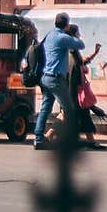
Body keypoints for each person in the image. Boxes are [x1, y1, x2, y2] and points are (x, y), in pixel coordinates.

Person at [33, 11, 84, 150]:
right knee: (69, 109)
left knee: (45, 109)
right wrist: (71, 34)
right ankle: (69, 139)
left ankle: (38, 139)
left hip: (46, 77)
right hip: (56, 79)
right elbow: (81, 44)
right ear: (66, 25)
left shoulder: (50, 35)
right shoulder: (62, 38)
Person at [66, 24, 106, 149]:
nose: (80, 35)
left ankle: (90, 141)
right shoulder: (72, 50)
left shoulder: (71, 50)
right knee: (78, 115)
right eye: (78, 33)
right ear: (73, 35)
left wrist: (95, 53)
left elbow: (82, 62)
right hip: (75, 89)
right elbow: (76, 68)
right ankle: (90, 141)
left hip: (74, 89)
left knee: (78, 115)